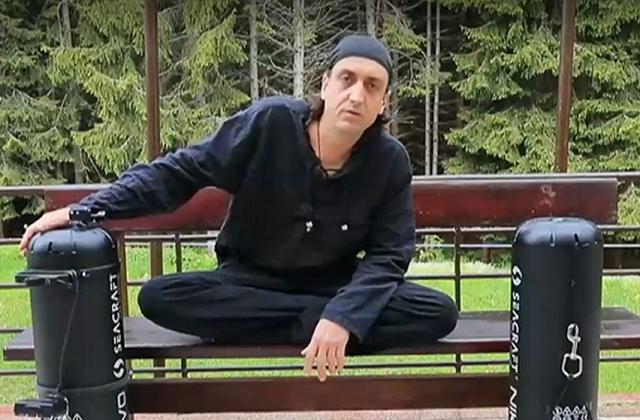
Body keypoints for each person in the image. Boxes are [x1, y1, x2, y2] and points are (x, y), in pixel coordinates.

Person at [20, 34, 458, 382]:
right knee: (160, 297)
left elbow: (389, 254)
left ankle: (320, 323)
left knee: (437, 312)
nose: (357, 95)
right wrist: (82, 211)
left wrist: (343, 313)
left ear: (384, 103)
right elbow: (181, 172)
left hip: (333, 286)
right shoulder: (271, 123)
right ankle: (315, 325)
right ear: (325, 84)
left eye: (372, 86)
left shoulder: (389, 161)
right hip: (249, 282)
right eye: (347, 79)